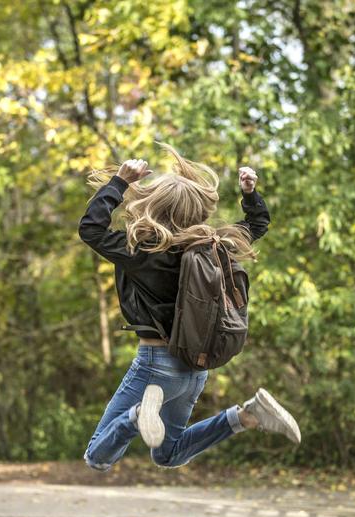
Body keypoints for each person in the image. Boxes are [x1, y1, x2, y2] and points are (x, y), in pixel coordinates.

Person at [79, 143, 300, 472]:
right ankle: (247, 415)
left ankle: (138, 416)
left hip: (155, 366)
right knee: (168, 454)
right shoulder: (214, 245)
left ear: (154, 204)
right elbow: (256, 226)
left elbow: (91, 229)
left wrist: (120, 182)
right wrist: (250, 195)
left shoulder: (141, 249)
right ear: (196, 209)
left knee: (97, 456)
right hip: (195, 368)